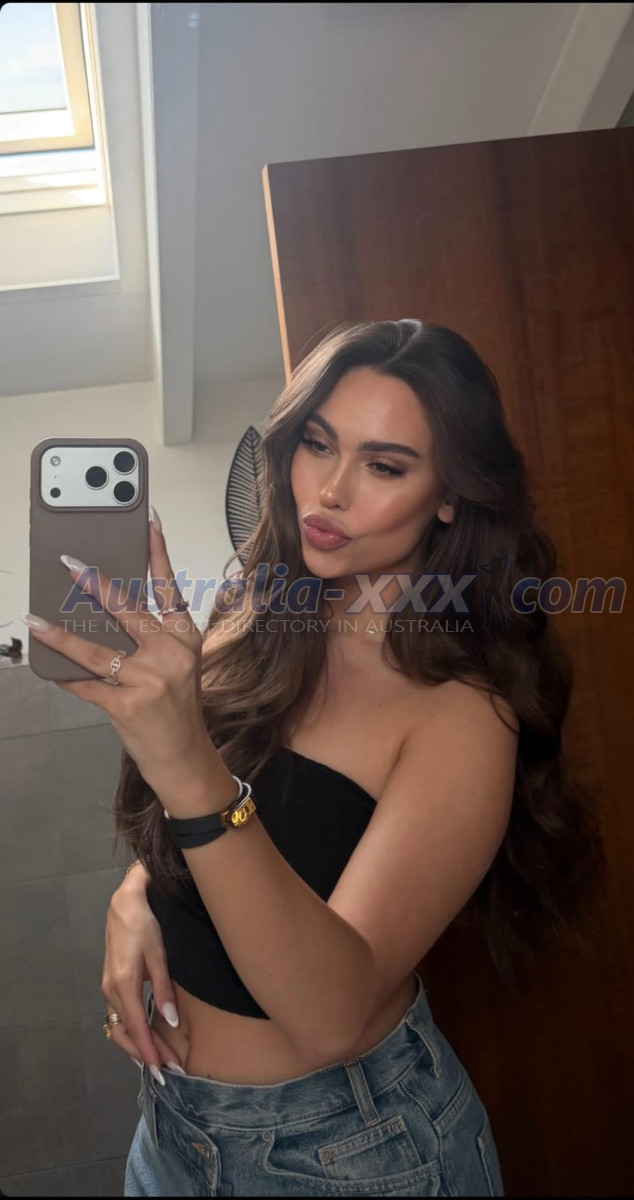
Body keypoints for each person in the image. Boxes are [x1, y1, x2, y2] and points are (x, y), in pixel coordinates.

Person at [99, 320, 607, 1196]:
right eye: (318, 444)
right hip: (172, 1134)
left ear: (449, 495)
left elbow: (331, 1015)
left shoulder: (462, 713)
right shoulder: (258, 610)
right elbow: (222, 826)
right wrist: (138, 892)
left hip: (347, 1156)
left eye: (385, 465)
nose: (328, 491)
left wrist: (186, 763)